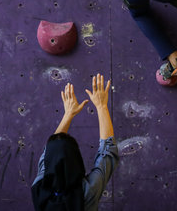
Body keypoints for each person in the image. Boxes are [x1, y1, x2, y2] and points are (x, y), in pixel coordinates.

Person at [31, 74, 119, 211]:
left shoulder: (39, 189)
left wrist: (68, 114)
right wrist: (101, 106)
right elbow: (107, 153)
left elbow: (47, 156)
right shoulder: (86, 192)